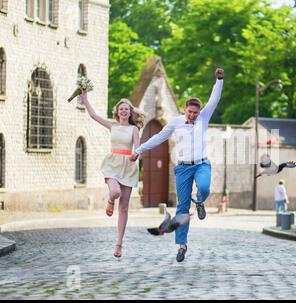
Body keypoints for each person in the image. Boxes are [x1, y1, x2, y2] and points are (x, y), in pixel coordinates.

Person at [130, 67, 224, 262]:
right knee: (182, 208)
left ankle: (199, 202)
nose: (192, 115)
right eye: (190, 112)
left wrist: (219, 81)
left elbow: (214, 101)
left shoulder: (203, 118)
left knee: (205, 188)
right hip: (182, 168)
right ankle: (181, 245)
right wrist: (138, 150)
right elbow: (158, 137)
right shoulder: (175, 122)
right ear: (184, 109)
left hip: (201, 164)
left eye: (196, 113)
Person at [80, 90, 146, 258]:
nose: (124, 111)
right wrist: (85, 98)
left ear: (130, 112)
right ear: (117, 112)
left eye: (126, 109)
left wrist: (136, 154)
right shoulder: (112, 125)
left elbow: (138, 148)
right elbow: (94, 115)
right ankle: (110, 200)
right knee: (115, 192)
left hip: (128, 166)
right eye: (121, 109)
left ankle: (119, 244)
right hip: (112, 163)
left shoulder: (134, 129)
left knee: (123, 208)